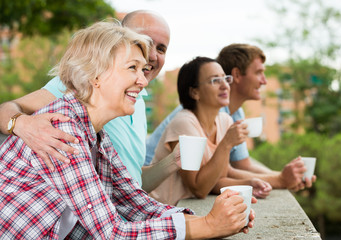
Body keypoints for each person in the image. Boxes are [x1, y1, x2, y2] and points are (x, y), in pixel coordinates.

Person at [0, 21, 256, 239]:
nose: (143, 81)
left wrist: (219, 217)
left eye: (143, 70)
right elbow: (112, 233)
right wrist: (208, 226)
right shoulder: (63, 129)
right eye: (132, 68)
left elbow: (136, 203)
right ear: (95, 75)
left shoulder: (98, 136)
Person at [0, 10, 177, 191]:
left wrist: (175, 161)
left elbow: (132, 185)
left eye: (161, 48)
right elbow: (5, 110)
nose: (153, 55)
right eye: (145, 41)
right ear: (119, 38)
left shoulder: (135, 101)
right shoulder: (84, 83)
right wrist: (23, 125)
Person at [145, 43, 316, 192]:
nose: (264, 81)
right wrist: (280, 179)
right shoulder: (189, 117)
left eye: (225, 79)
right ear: (237, 74)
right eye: (258, 73)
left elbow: (229, 171)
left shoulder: (227, 117)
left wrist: (284, 178)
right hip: (153, 184)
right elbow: (199, 187)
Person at [147, 56, 271, 205]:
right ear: (194, 92)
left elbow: (218, 178)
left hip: (186, 209)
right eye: (215, 81)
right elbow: (198, 189)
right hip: (161, 211)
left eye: (225, 79)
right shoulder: (184, 123)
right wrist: (226, 144)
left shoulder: (224, 120)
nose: (225, 85)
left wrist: (249, 182)